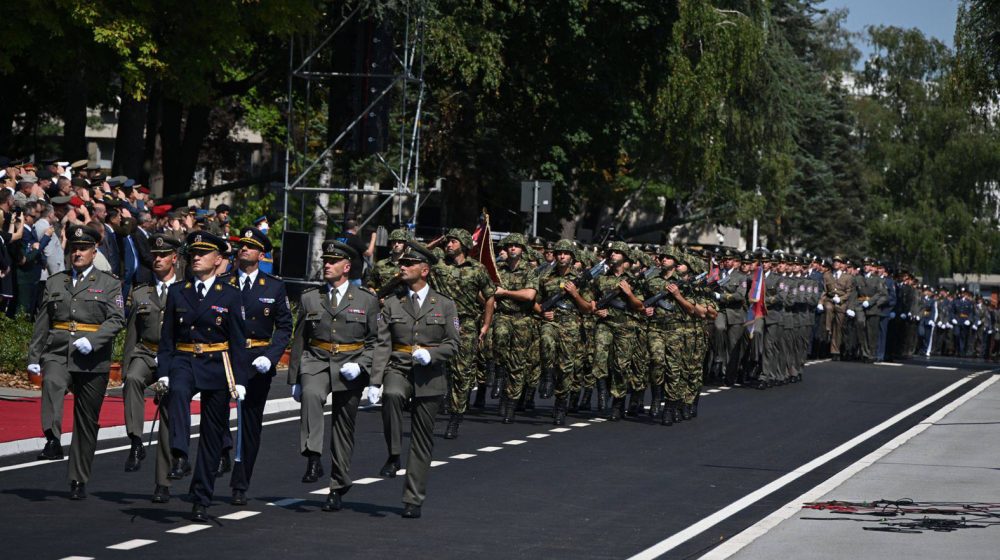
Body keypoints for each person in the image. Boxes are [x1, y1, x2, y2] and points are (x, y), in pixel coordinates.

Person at [26, 225, 125, 499]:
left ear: (95, 252)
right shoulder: (56, 282)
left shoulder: (109, 283)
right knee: (53, 383)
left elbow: (117, 318)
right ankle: (52, 439)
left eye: (83, 248)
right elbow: (42, 321)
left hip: (92, 359)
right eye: (73, 248)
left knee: (86, 420)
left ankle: (78, 478)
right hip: (58, 351)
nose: (77, 253)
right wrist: (34, 356)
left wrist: (94, 341)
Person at [157, 231, 249, 522]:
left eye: (203, 253)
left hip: (217, 362)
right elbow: (167, 338)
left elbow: (237, 341)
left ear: (217, 259)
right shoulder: (178, 291)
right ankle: (180, 453)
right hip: (184, 358)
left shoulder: (231, 295)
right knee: (179, 393)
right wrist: (164, 373)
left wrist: (241, 379)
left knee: (211, 435)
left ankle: (201, 497)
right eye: (193, 253)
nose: (196, 257)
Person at [287, 238, 379, 510]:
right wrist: (294, 379)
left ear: (347, 266)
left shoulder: (366, 300)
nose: (326, 265)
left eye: (332, 261)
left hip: (351, 363)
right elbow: (300, 339)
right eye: (325, 260)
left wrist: (364, 367)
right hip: (316, 360)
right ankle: (313, 457)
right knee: (312, 395)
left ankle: (338, 485)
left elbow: (376, 342)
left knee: (343, 426)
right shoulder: (311, 298)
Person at [371, 240, 459, 518]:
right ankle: (394, 453)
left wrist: (431, 355)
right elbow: (382, 343)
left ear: (425, 270)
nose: (402, 267)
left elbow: (453, 344)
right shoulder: (393, 303)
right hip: (398, 367)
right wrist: (375, 380)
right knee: (392, 395)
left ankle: (413, 498)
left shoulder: (445, 305)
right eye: (402, 263)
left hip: (430, 376)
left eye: (409, 264)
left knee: (422, 439)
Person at [223, 227, 293, 505]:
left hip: (257, 360)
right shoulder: (224, 282)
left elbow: (285, 326)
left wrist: (272, 355)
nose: (243, 250)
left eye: (250, 247)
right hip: (226, 358)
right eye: (241, 245)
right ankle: (223, 450)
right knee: (216, 414)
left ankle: (241, 482)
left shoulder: (274, 286)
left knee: (250, 424)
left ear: (261, 254)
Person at [121, 234, 180, 504]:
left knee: (167, 416)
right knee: (133, 378)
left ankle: (163, 482)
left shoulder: (185, 289)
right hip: (146, 352)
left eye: (163, 255)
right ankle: (135, 440)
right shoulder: (140, 291)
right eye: (154, 255)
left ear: (174, 258)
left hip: (175, 357)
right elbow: (131, 334)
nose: (157, 259)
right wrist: (125, 368)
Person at [430, 228, 495, 439]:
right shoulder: (438, 265)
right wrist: (437, 241)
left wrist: (485, 326)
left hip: (465, 324)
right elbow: (413, 255)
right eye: (447, 242)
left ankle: (455, 417)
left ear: (464, 244)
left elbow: (489, 297)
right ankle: (436, 408)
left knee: (461, 372)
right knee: (437, 369)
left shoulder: (477, 269)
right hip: (438, 323)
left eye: (453, 242)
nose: (449, 245)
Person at [490, 233, 539, 424]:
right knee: (500, 338)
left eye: (516, 246)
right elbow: (487, 291)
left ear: (522, 250)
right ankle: (500, 374)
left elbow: (529, 295)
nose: (512, 248)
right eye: (509, 245)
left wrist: (505, 293)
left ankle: (510, 403)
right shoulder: (498, 270)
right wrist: (491, 300)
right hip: (502, 315)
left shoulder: (530, 270)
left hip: (522, 319)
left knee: (518, 365)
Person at [338, 218, 376, 286]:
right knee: (355, 295)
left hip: (340, 273)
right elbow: (368, 253)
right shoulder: (354, 238)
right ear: (355, 227)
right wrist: (373, 238)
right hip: (353, 276)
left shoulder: (339, 237)